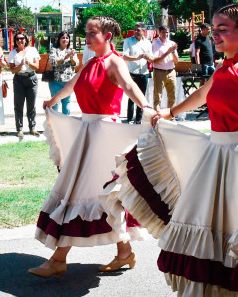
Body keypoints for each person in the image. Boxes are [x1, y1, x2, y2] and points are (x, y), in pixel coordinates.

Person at [108, 4, 238, 295]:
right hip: (216, 154)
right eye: (214, 29)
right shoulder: (224, 67)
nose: (215, 36)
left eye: (223, 30)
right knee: (204, 221)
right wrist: (169, 113)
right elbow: (200, 95)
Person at [29, 16, 151, 279]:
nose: (87, 35)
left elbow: (129, 85)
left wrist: (147, 107)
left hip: (104, 134)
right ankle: (124, 253)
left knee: (81, 192)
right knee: (101, 195)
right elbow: (73, 85)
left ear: (108, 36)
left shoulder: (114, 62)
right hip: (88, 133)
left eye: (92, 32)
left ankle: (58, 259)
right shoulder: (90, 63)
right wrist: (53, 99)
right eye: (86, 31)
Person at [8, 33, 40, 138]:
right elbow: (12, 70)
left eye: (22, 38)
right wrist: (21, 64)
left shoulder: (32, 50)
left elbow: (36, 66)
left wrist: (29, 63)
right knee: (18, 105)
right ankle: (19, 129)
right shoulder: (13, 53)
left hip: (31, 78)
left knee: (31, 105)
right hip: (19, 79)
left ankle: (32, 128)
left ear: (26, 39)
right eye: (17, 39)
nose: (19, 40)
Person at [122, 22, 152, 124]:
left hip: (144, 73)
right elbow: (125, 56)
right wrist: (138, 57)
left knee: (141, 96)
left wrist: (149, 58)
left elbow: (151, 57)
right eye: (135, 29)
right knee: (132, 96)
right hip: (132, 73)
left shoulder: (147, 43)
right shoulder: (128, 41)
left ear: (143, 31)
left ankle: (139, 118)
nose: (135, 31)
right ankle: (130, 118)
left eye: (138, 30)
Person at [48, 31, 79, 116]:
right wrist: (66, 57)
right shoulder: (54, 50)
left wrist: (72, 58)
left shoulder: (71, 50)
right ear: (59, 39)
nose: (65, 39)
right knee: (55, 104)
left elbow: (76, 64)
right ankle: (54, 126)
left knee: (67, 104)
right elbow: (53, 62)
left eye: (67, 38)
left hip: (68, 83)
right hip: (56, 81)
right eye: (63, 38)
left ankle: (65, 126)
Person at [150, 25, 179, 110]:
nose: (165, 34)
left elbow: (176, 61)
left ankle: (171, 118)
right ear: (159, 33)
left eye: (167, 32)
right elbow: (155, 60)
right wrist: (167, 52)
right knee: (157, 97)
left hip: (171, 71)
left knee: (172, 96)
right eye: (163, 32)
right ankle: (157, 117)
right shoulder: (155, 44)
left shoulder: (172, 43)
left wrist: (173, 52)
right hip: (159, 72)